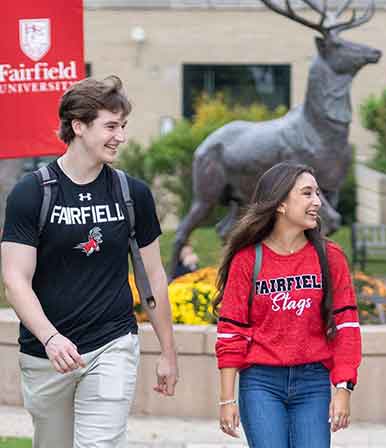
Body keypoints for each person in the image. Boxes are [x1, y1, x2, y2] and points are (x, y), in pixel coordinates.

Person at [1, 75, 178, 448]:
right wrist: (50, 339)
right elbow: (16, 280)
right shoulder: (32, 193)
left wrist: (167, 351)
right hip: (46, 353)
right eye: (110, 126)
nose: (121, 136)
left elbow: (154, 276)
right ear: (78, 126)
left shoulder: (133, 194)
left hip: (112, 341)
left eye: (123, 126)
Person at [214, 162, 361, 448]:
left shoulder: (330, 257)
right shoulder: (247, 260)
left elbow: (346, 327)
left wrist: (343, 388)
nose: (317, 202)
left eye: (317, 193)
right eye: (307, 194)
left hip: (313, 382)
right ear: (280, 203)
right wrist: (227, 399)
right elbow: (231, 333)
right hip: (260, 383)